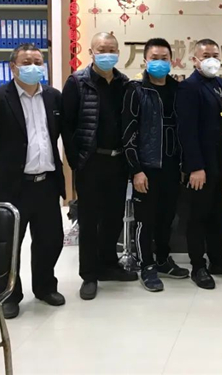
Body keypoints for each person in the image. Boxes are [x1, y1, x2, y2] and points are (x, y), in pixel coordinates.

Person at [0, 43, 66, 319]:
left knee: (50, 240)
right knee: (9, 244)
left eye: (38, 62)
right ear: (13, 67)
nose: (33, 67)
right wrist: (7, 164)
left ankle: (45, 287)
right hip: (11, 185)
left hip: (46, 183)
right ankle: (9, 294)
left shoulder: (53, 97)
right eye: (27, 62)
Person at [62, 32, 136, 301]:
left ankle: (108, 264)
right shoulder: (77, 82)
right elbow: (66, 125)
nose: (107, 54)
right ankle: (89, 275)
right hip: (90, 162)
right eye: (102, 49)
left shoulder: (124, 83)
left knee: (113, 217)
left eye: (112, 49)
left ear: (118, 53)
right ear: (91, 52)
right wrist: (76, 161)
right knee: (90, 220)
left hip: (118, 161)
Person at [176, 38, 222, 289]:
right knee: (198, 217)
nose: (211, 60)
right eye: (206, 56)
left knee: (218, 215)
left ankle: (218, 261)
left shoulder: (220, 83)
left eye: (215, 55)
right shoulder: (189, 88)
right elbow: (187, 130)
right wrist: (195, 167)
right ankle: (198, 266)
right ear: (194, 60)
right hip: (201, 166)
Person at [122, 38, 189, 292]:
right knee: (145, 220)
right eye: (154, 58)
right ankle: (146, 265)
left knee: (167, 217)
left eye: (164, 58)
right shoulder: (136, 90)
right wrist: (136, 170)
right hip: (147, 167)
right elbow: (128, 133)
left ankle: (162, 260)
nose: (159, 63)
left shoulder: (179, 89)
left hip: (172, 167)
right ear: (145, 61)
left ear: (171, 61)